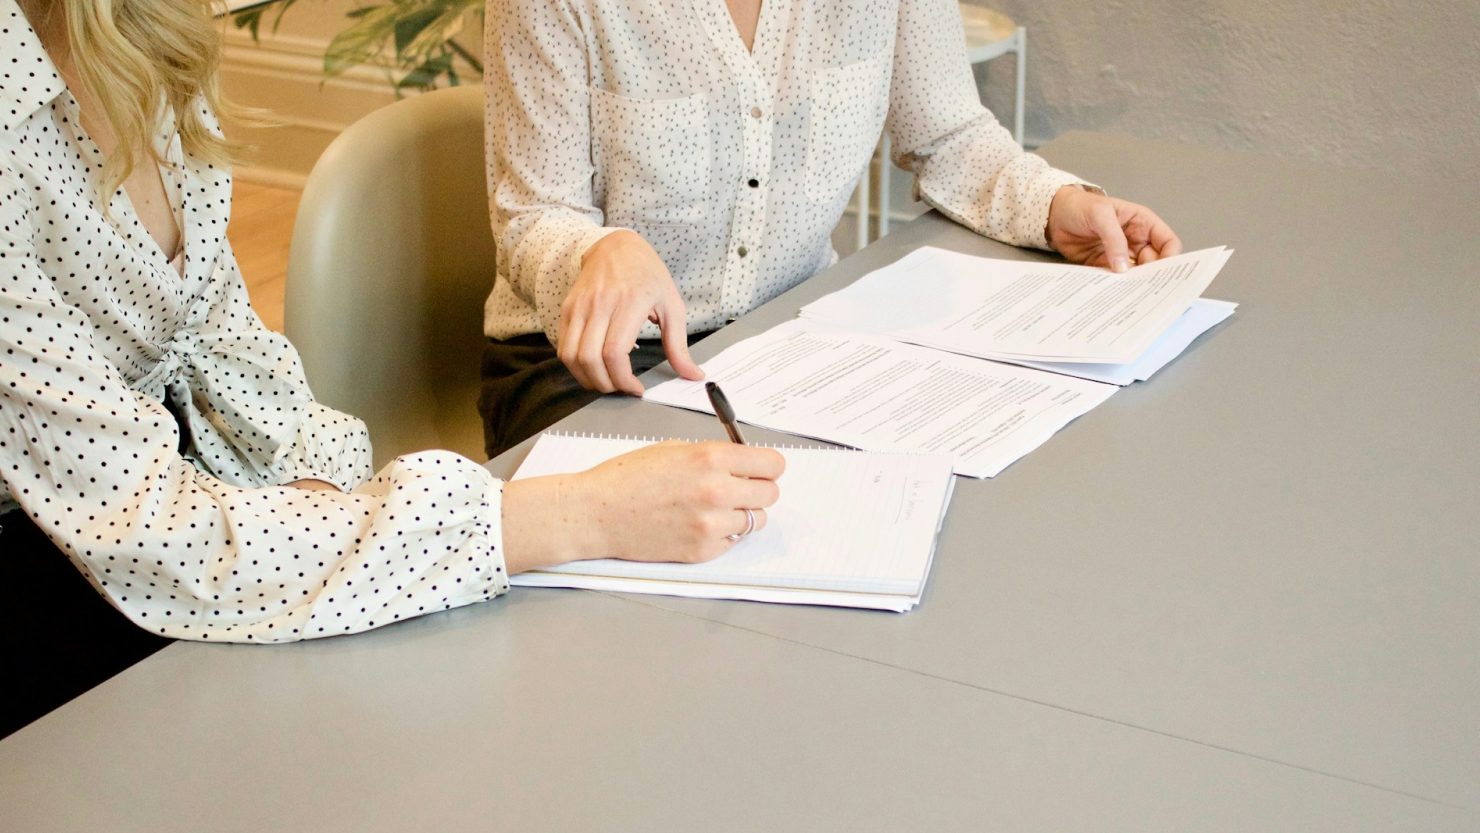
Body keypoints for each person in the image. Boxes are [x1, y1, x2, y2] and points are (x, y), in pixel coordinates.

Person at [0, 0, 783, 738]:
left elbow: (228, 349)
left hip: (178, 515)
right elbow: (158, 533)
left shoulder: (146, 37)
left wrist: (320, 494)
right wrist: (581, 515)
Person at [480, 0, 1184, 457]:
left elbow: (947, 134)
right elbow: (532, 215)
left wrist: (1056, 204)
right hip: (588, 366)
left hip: (786, 345)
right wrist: (600, 251)